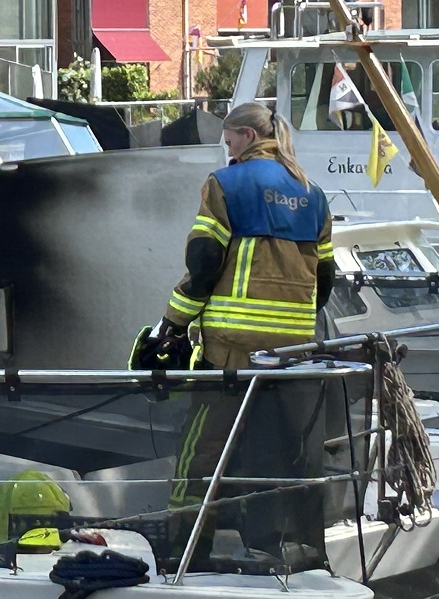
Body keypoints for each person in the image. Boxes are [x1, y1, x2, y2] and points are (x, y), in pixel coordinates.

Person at [157, 102, 335, 569]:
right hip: (291, 353)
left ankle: (186, 547)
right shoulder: (312, 194)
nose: (226, 146)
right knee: (275, 452)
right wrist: (292, 321)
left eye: (230, 137)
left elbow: (203, 264)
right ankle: (280, 549)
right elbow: (327, 279)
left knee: (201, 449)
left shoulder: (226, 184)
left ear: (249, 137)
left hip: (232, 350)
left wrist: (172, 325)